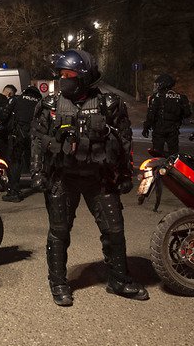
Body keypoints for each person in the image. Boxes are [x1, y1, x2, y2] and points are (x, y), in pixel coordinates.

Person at [30, 49, 148, 306]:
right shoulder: (49, 105)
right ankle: (58, 282)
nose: (64, 78)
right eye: (61, 74)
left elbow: (124, 141)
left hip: (100, 178)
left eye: (69, 74)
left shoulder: (110, 104)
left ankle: (119, 278)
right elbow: (38, 140)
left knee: (114, 230)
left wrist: (126, 174)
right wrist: (37, 172)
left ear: (84, 76)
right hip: (63, 177)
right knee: (59, 232)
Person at [3, 84, 42, 202]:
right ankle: (40, 183)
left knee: (15, 162)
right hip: (34, 136)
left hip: (18, 136)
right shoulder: (40, 103)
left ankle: (14, 192)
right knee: (36, 160)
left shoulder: (17, 99)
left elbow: (5, 115)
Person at [142, 74, 192, 156]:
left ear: (163, 84)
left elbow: (151, 115)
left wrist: (146, 127)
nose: (157, 86)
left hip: (159, 129)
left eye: (158, 84)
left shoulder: (156, 97)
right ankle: (172, 168)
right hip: (173, 129)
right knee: (174, 154)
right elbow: (187, 113)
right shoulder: (180, 97)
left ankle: (159, 168)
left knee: (157, 153)